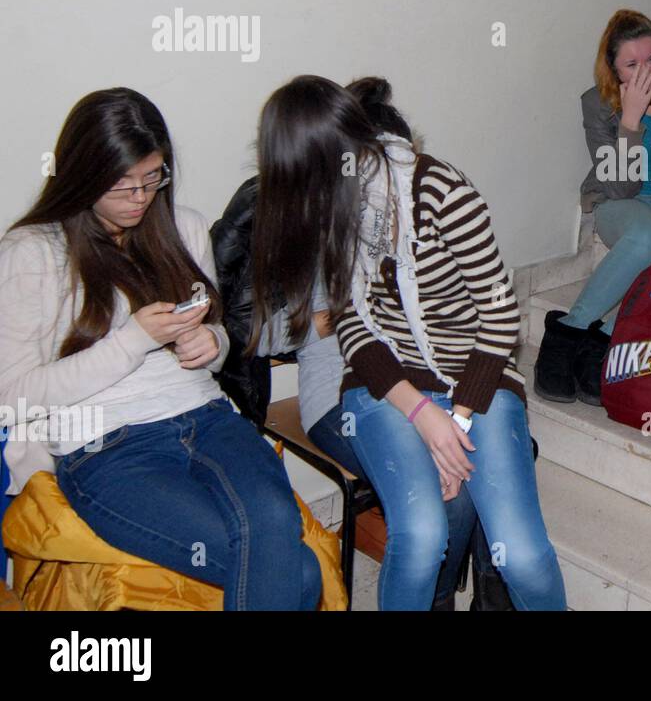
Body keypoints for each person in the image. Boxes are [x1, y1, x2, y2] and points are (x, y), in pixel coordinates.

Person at [248, 76, 565, 611]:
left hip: (474, 379)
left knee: (524, 557)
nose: (308, 200)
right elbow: (350, 325)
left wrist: (455, 424)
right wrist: (423, 415)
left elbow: (500, 313)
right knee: (420, 536)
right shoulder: (335, 210)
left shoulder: (441, 192)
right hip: (385, 385)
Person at [0, 88, 322, 610]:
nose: (141, 197)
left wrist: (209, 343)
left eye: (154, 179)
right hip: (107, 445)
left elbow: (217, 344)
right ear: (80, 173)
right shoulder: (30, 253)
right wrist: (134, 341)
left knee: (275, 522)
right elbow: (13, 396)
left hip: (208, 417)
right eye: (123, 184)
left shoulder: (185, 229)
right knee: (299, 571)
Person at [537, 10, 651, 403]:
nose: (645, 71)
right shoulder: (597, 104)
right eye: (631, 64)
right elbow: (618, 187)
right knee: (646, 235)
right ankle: (568, 331)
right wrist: (631, 118)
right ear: (613, 69)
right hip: (622, 204)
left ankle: (607, 339)